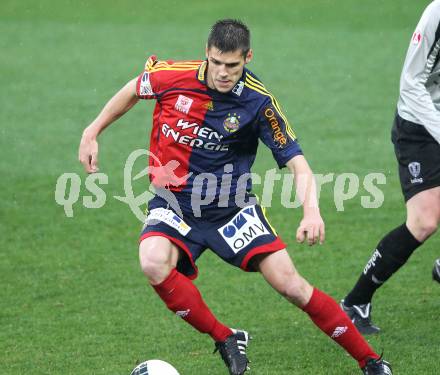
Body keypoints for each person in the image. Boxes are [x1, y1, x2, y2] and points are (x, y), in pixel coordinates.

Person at [79, 19, 392, 375]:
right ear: (207, 54)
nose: (224, 73)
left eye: (233, 65)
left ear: (247, 58)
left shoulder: (258, 102)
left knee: (292, 287)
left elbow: (297, 162)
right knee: (152, 261)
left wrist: (311, 212)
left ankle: (371, 362)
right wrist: (93, 131)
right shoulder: (172, 76)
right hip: (175, 203)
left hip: (232, 211)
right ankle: (225, 338)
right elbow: (135, 88)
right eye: (217, 63)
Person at [341, 0, 440, 335]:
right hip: (418, 125)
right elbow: (411, 83)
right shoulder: (436, 15)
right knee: (424, 221)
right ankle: (356, 301)